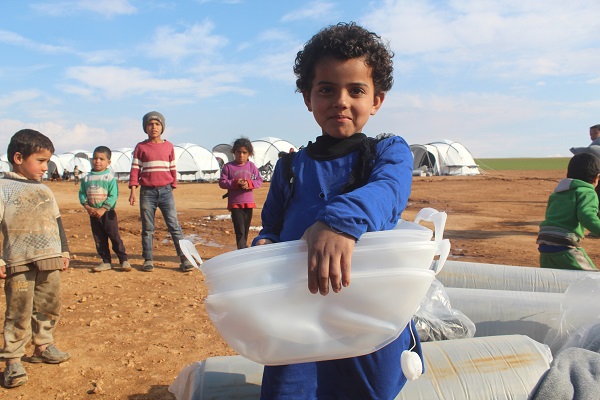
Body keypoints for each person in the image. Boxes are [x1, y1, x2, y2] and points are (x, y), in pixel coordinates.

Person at [251, 22, 421, 399]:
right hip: (298, 313)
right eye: (326, 89)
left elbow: (389, 191)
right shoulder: (290, 168)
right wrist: (265, 243)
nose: (340, 100)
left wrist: (338, 222)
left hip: (368, 315)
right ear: (308, 98)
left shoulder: (387, 153)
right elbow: (272, 227)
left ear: (376, 100)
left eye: (356, 90)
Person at [0, 129, 71, 388]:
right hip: (18, 261)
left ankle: (43, 346)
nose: (46, 167)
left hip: (50, 258)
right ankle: (13, 360)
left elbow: (57, 222)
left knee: (49, 305)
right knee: (18, 311)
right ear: (19, 157)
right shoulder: (3, 188)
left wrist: (63, 251)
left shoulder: (45, 190)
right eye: (40, 161)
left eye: (47, 161)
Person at [128, 111, 194, 273]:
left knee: (174, 226)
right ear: (145, 127)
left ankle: (184, 259)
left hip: (165, 192)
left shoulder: (168, 146)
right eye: (150, 124)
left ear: (162, 127)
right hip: (147, 193)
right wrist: (133, 190)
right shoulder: (141, 147)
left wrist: (172, 185)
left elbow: (172, 167)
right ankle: (148, 259)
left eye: (157, 124)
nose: (154, 127)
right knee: (148, 228)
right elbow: (135, 169)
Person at [537, 153, 600, 270]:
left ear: (567, 175)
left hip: (544, 245)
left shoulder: (557, 193)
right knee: (592, 279)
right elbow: (587, 216)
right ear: (597, 178)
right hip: (564, 246)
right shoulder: (587, 192)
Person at [79, 146, 131, 273]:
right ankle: (106, 261)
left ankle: (123, 260)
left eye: (101, 159)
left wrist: (103, 208)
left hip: (108, 214)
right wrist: (87, 207)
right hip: (93, 213)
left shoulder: (109, 178)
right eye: (95, 158)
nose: (97, 161)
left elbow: (113, 195)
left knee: (114, 236)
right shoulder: (86, 178)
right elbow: (82, 193)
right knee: (99, 238)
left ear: (108, 162)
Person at [218, 137, 263, 249]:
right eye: (238, 152)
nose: (241, 155)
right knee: (240, 229)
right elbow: (222, 182)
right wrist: (235, 183)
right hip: (235, 203)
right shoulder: (228, 167)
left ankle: (243, 248)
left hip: (249, 203)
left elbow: (259, 181)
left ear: (249, 154)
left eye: (244, 153)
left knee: (246, 229)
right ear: (234, 152)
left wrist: (249, 183)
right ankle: (241, 249)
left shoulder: (251, 167)